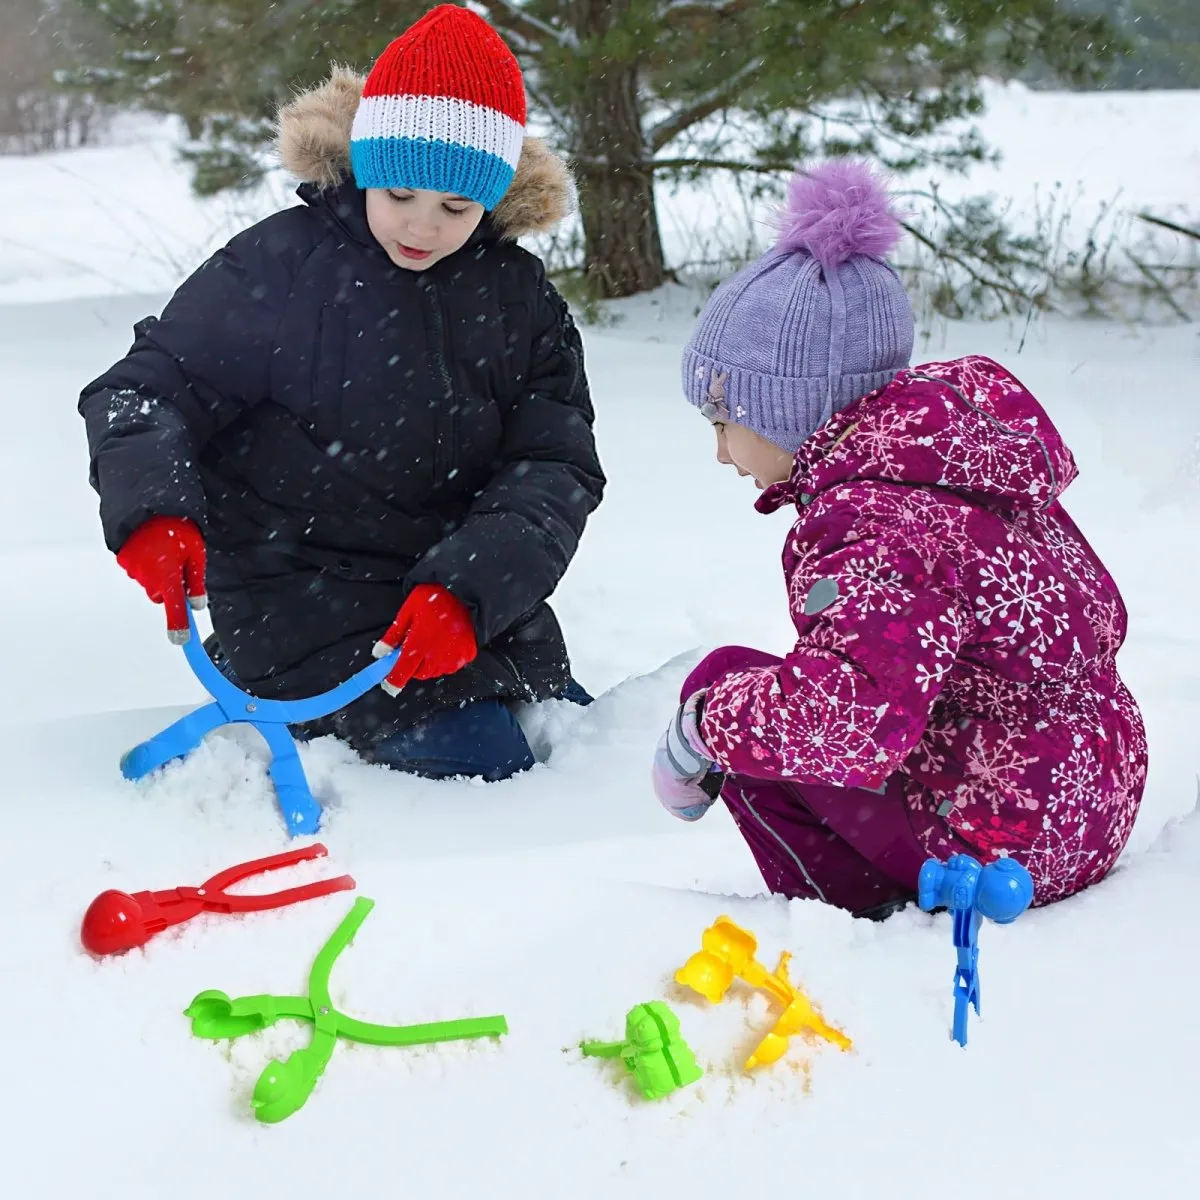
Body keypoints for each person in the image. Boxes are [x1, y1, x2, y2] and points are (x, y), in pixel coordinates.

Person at [79, 5, 604, 782]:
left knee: (594, 751)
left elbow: (555, 469)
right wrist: (152, 510)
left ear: (490, 199)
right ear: (363, 163)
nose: (421, 226)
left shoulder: (520, 299)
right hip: (296, 602)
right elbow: (145, 393)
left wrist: (469, 590)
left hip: (455, 614)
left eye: (455, 208)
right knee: (490, 767)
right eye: (398, 193)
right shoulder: (279, 268)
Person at [651, 160, 1146, 917]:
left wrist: (701, 730)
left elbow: (846, 725)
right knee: (748, 683)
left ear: (792, 412)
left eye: (725, 424)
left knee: (738, 713)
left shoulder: (873, 524)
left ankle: (844, 921)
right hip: (1089, 801)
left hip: (1000, 845)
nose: (721, 452)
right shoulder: (956, 463)